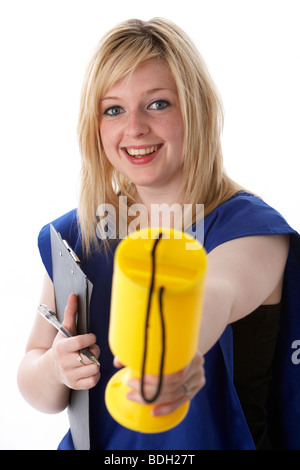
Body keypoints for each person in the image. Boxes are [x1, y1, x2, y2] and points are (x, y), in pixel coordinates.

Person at [17, 18, 300, 450]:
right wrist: (55, 369)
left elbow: (213, 294)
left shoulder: (250, 231)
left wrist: (171, 358)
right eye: (113, 109)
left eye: (158, 104)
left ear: (196, 108)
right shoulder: (81, 234)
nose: (134, 128)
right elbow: (33, 375)